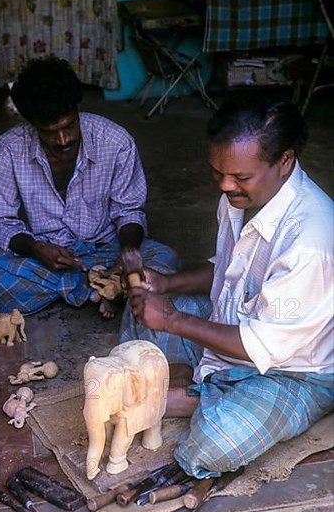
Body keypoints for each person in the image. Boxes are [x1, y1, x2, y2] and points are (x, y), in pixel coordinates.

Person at [120, 95, 334, 479]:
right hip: (234, 326)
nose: (224, 184)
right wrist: (167, 283)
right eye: (218, 172)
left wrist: (172, 319)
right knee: (141, 306)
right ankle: (196, 387)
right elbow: (229, 269)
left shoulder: (310, 241)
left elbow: (261, 345)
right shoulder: (240, 196)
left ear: (284, 162)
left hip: (295, 370)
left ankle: (192, 396)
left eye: (239, 177)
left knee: (213, 445)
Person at [0, 56, 179, 317]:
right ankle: (109, 289)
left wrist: (128, 252)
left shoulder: (116, 142)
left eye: (69, 125)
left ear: (77, 110)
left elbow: (129, 211)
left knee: (165, 259)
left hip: (107, 249)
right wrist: (35, 249)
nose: (63, 139)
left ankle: (97, 284)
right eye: (50, 132)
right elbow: (0, 222)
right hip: (45, 260)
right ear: (32, 124)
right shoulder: (9, 150)